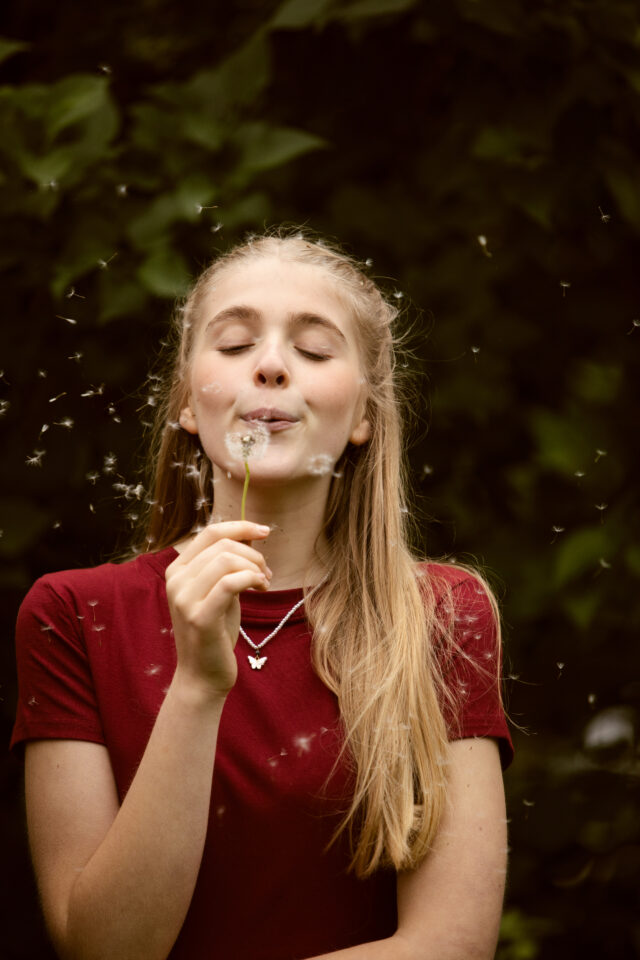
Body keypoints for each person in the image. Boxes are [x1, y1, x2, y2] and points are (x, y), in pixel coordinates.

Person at [11, 230, 513, 960]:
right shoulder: (73, 614)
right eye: (237, 343)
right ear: (188, 401)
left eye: (313, 351)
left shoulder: (441, 613)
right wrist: (197, 687)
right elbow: (105, 949)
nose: (272, 367)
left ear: (365, 416)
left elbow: (452, 945)